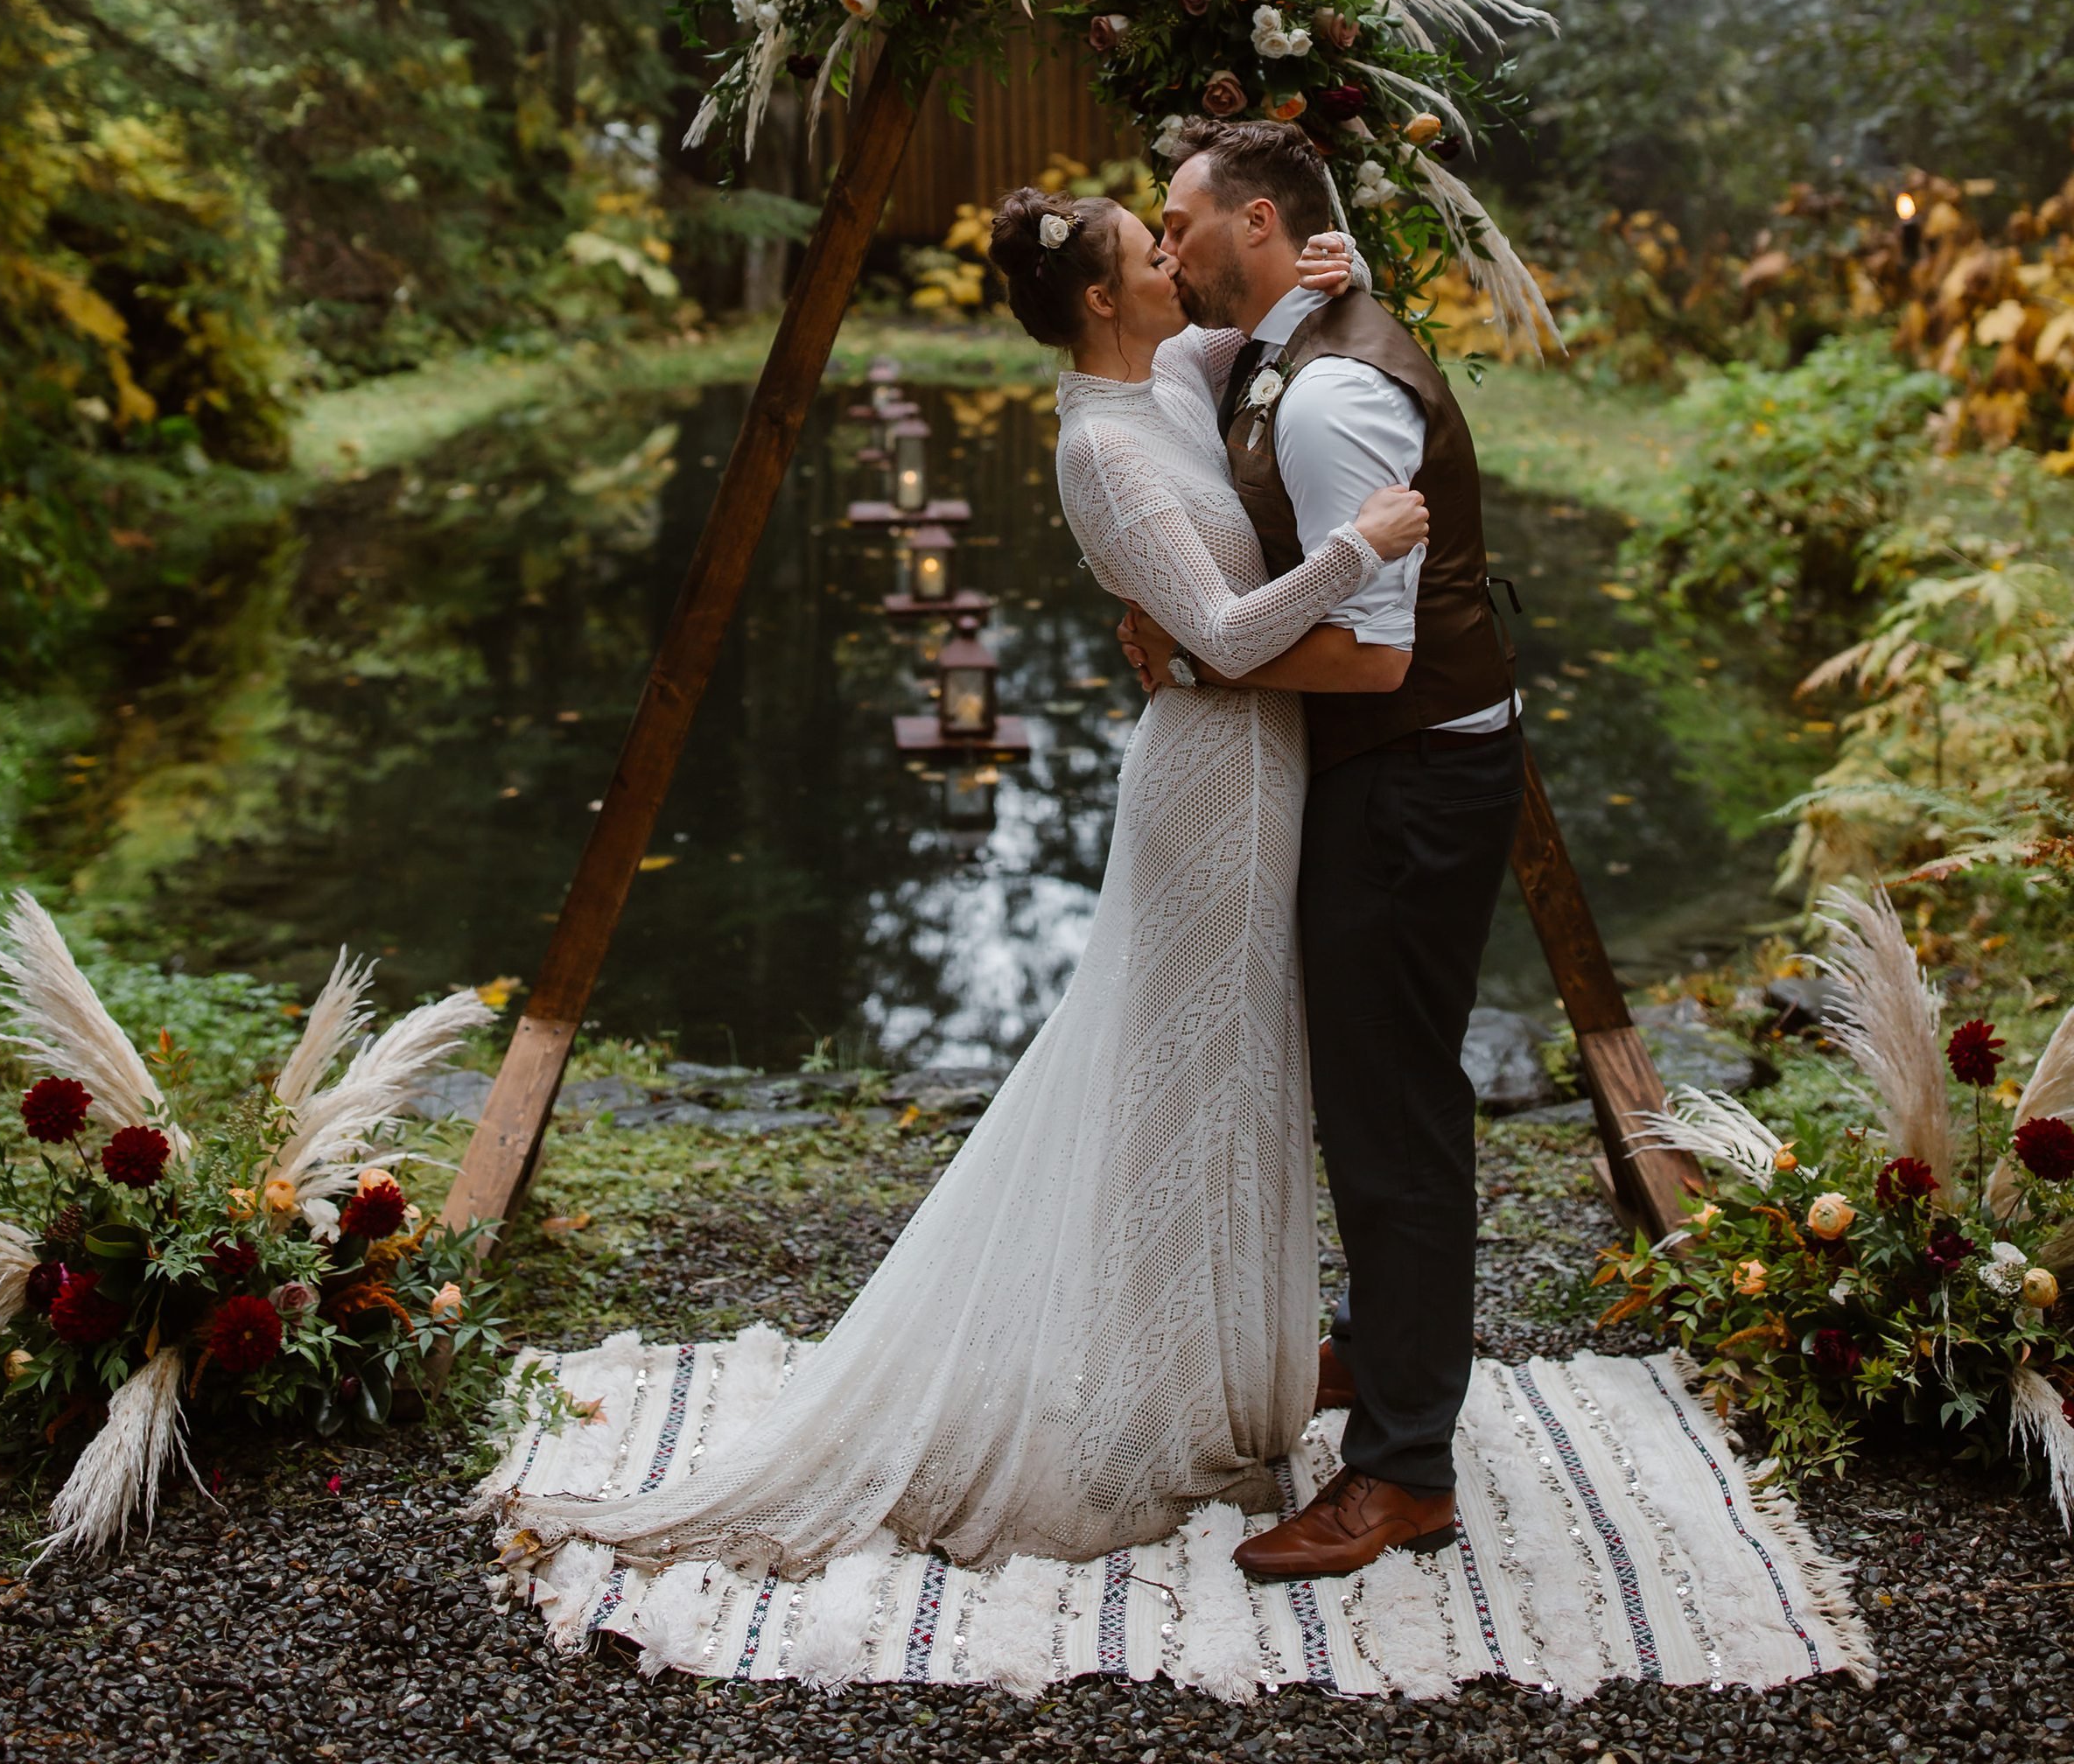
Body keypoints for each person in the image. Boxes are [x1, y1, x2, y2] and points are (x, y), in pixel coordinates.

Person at [501, 191, 1426, 1584]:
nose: (1174, 262)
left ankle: (1223, 1392)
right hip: (1211, 788)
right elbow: (1229, 633)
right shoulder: (1101, 450)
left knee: (1238, 1078)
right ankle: (1136, 1421)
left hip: (1263, 776)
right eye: (1148, 252)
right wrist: (1365, 545)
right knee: (1175, 1084)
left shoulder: (1168, 373)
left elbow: (1255, 350)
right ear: (1105, 299)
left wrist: (1316, 277)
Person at [1122, 116, 1524, 1586]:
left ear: (1261, 226)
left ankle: (1407, 1471)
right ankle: (1382, 1349)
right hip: (1392, 773)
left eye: (1182, 220)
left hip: (1411, 776)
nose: (1164, 245)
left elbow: (1366, 659)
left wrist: (1194, 659)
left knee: (1392, 1110)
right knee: (1369, 1087)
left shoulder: (1330, 392)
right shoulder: (1288, 342)